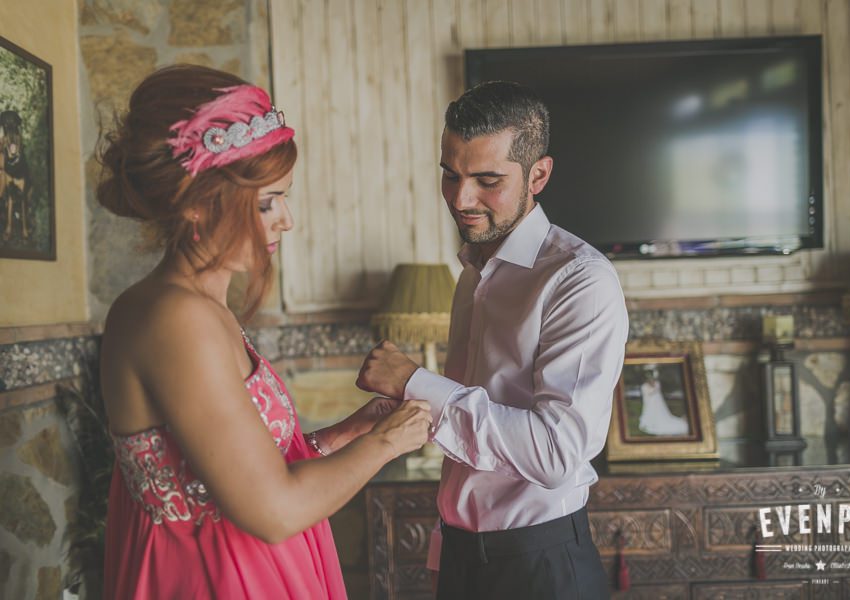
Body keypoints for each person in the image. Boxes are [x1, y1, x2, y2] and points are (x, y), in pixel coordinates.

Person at [98, 65, 432, 600]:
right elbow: (273, 510)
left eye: (284, 196)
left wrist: (349, 433)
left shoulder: (205, 306)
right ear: (195, 203)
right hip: (215, 578)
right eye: (266, 201)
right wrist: (387, 443)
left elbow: (240, 467)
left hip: (256, 567)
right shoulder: (174, 318)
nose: (286, 220)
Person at [356, 81, 629, 600]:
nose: (461, 199)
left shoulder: (579, 280)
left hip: (541, 568)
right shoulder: (473, 272)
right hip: (463, 559)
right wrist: (445, 549)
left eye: (487, 180)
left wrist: (416, 382)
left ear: (539, 175)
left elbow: (555, 453)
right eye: (450, 175)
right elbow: (470, 451)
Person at [638, 367, 689, 436]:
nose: (651, 379)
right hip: (650, 402)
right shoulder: (644, 386)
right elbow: (647, 393)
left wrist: (653, 386)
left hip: (657, 401)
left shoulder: (657, 383)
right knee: (651, 412)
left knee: (660, 412)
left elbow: (657, 390)